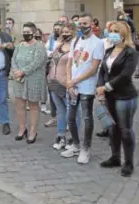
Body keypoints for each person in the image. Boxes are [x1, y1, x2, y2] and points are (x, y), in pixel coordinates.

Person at [97, 21, 139, 177]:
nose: (112, 33)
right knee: (113, 128)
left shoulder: (130, 52)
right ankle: (115, 157)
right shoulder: (109, 51)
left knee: (125, 130)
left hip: (125, 96)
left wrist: (106, 87)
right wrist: (100, 87)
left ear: (123, 34)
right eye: (111, 30)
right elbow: (102, 71)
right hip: (110, 96)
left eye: (116, 31)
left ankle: (129, 163)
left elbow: (125, 75)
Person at [62, 12, 104, 164]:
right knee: (70, 118)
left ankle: (86, 149)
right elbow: (69, 62)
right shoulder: (76, 40)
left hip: (86, 87)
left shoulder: (98, 43)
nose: (82, 26)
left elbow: (93, 68)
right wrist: (68, 81)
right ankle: (75, 145)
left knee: (87, 118)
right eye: (80, 23)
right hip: (72, 87)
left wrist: (75, 81)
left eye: (85, 24)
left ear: (92, 24)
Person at [11, 22, 48, 144]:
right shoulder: (20, 46)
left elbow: (37, 62)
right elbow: (13, 59)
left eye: (28, 32)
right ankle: (22, 128)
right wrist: (16, 70)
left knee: (33, 106)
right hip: (19, 80)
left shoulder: (39, 46)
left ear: (34, 32)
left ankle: (33, 131)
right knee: (19, 105)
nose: (25, 34)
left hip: (34, 80)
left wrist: (23, 71)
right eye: (24, 32)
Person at [47, 24, 81, 150]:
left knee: (74, 113)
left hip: (67, 84)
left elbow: (76, 66)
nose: (65, 34)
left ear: (74, 32)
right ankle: (61, 136)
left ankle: (74, 137)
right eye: (63, 32)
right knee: (61, 112)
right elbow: (51, 60)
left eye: (68, 32)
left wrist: (71, 82)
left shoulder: (77, 47)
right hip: (53, 83)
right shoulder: (59, 45)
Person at [44, 21, 64, 128]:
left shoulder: (67, 41)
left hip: (62, 72)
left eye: (59, 28)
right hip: (51, 71)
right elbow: (46, 51)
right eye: (55, 28)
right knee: (52, 95)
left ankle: (65, 119)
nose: (56, 31)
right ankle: (54, 117)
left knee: (63, 96)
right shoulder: (51, 39)